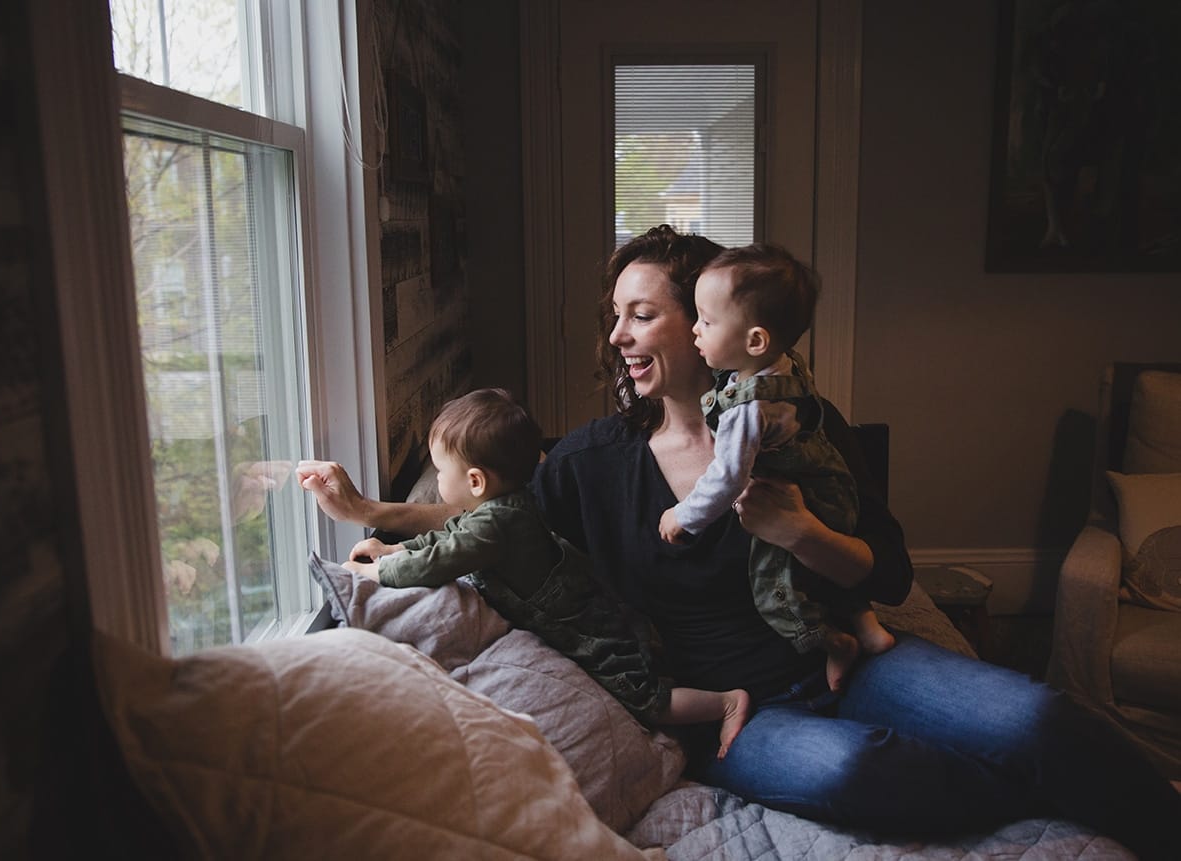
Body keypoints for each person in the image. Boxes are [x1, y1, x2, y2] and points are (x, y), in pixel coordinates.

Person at [297, 226, 1180, 860]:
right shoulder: (591, 463)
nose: (617, 338)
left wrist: (798, 529)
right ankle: (1037, 786)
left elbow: (890, 570)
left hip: (848, 651)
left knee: (1037, 715)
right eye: (616, 316)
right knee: (848, 772)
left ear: (705, 326)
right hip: (741, 707)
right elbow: (492, 521)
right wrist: (369, 512)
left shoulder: (799, 427)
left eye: (640, 316)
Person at [329, 387, 751, 757]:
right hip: (588, 611)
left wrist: (377, 573)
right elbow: (448, 538)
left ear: (475, 480)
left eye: (441, 472)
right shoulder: (495, 511)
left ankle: (725, 702)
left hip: (588, 628)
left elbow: (440, 559)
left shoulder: (497, 524)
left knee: (645, 698)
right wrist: (393, 546)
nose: (438, 480)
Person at [657, 244, 893, 691]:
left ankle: (831, 642)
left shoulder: (746, 409)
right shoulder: (785, 368)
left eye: (706, 321)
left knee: (777, 589)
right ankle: (864, 621)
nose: (695, 331)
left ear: (755, 341)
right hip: (830, 486)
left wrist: (683, 515)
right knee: (823, 566)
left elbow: (728, 478)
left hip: (790, 502)